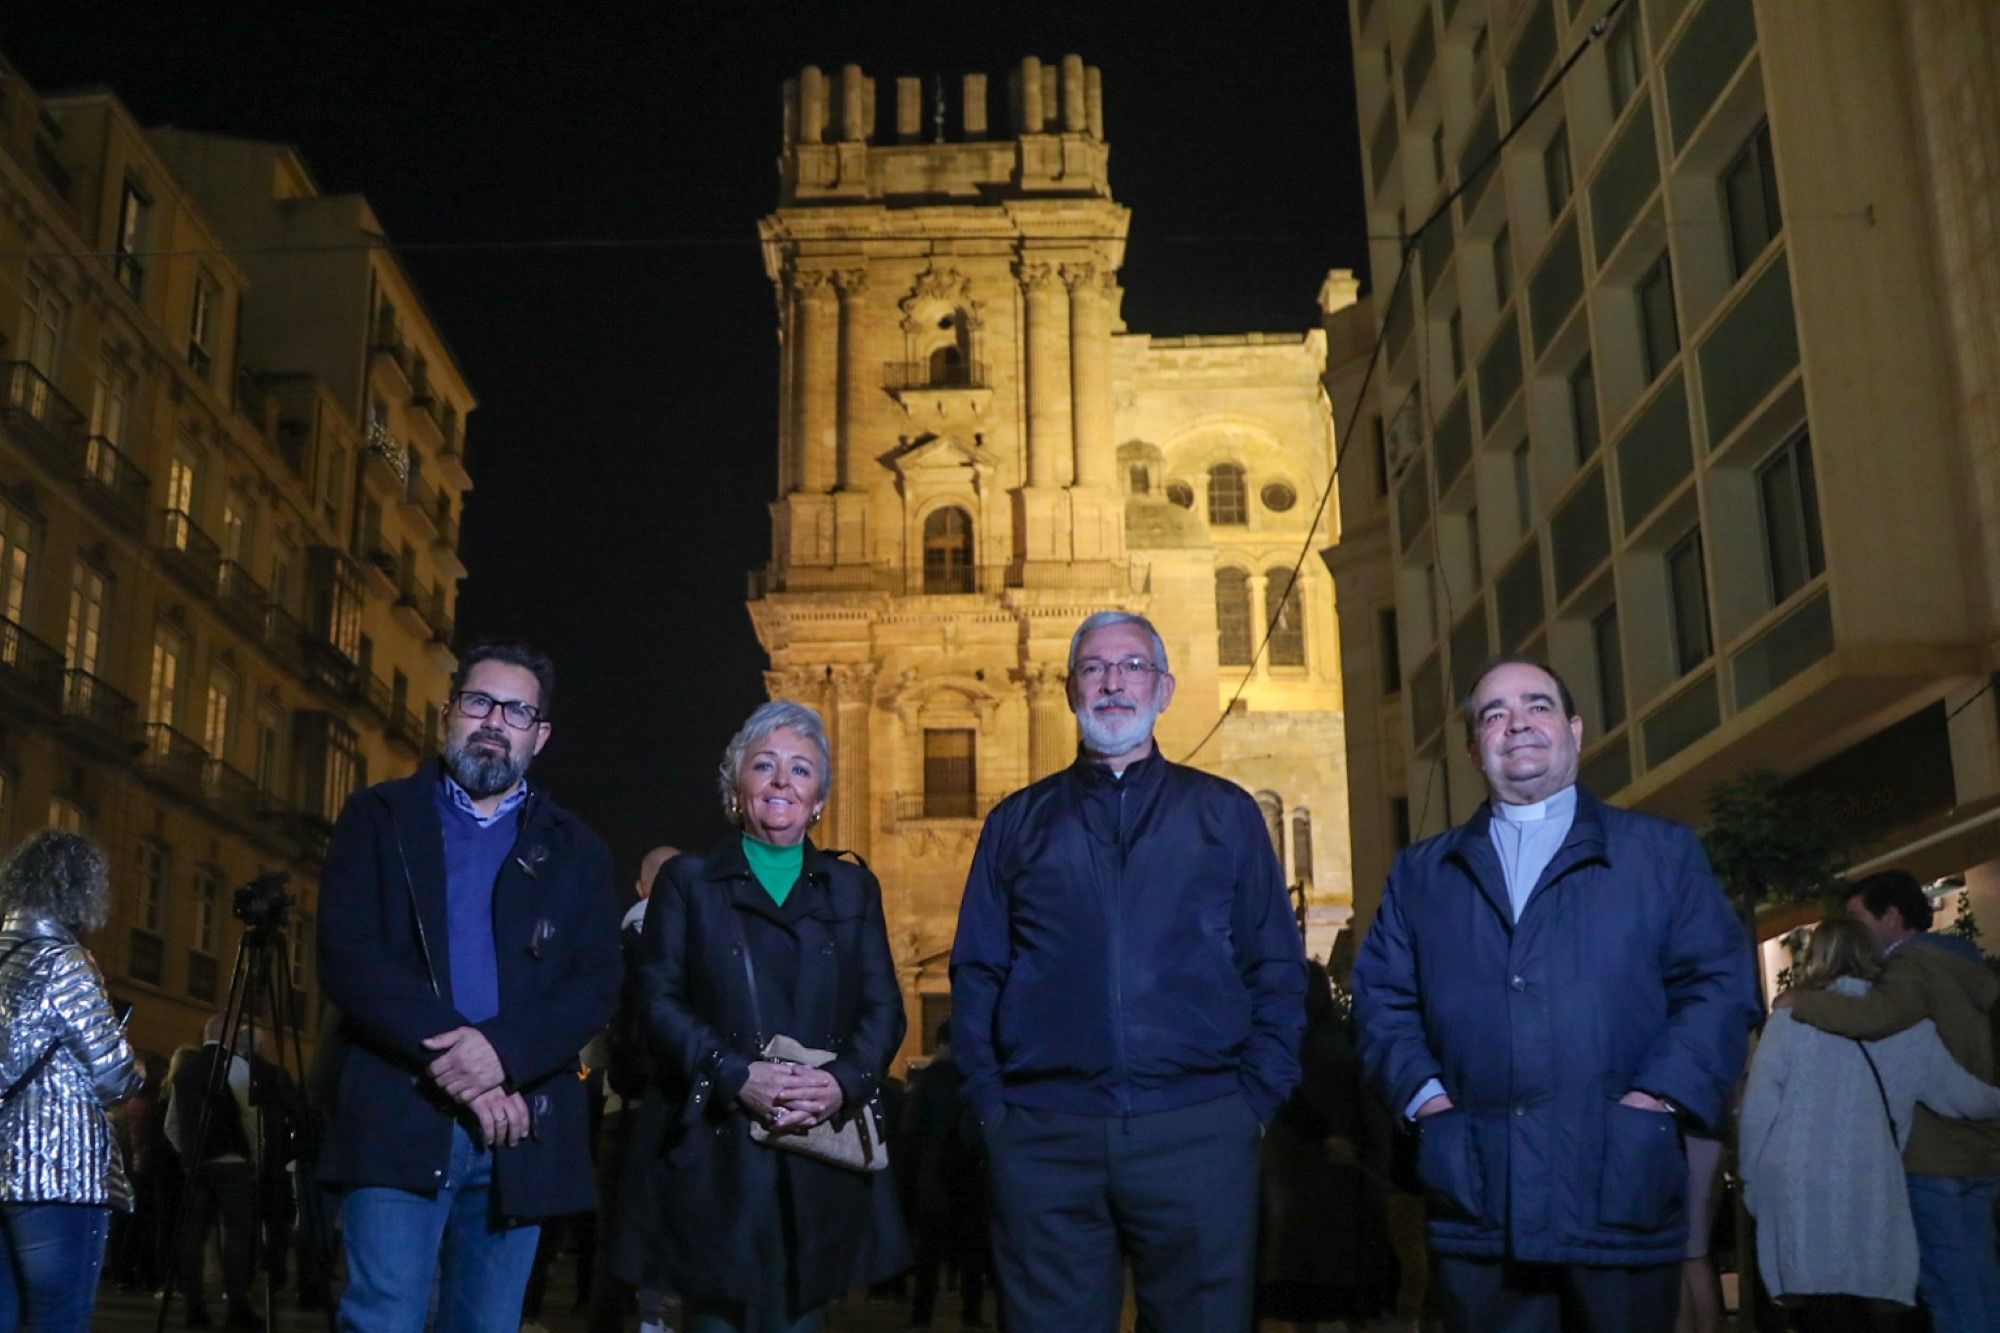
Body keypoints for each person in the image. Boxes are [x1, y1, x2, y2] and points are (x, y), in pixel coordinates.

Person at [1352, 656, 1759, 1333]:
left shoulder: (1660, 853)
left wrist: (1657, 1098)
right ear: (1473, 748)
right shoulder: (1423, 873)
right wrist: (1430, 1104)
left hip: (1618, 1190)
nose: (1517, 724)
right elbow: (1381, 1002)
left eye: (1537, 705)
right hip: (1480, 1198)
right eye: (1494, 714)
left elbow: (1720, 984)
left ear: (1573, 728)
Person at [951, 610, 1308, 1332]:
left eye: (1133, 666)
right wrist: (996, 1108)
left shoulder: (1225, 813)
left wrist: (1252, 1100)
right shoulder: (1017, 822)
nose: (1113, 682)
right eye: (1095, 667)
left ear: (1165, 688)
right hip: (1047, 1137)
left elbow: (1274, 961)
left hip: (1199, 1130)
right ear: (1071, 688)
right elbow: (978, 969)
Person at [316, 639, 620, 1331]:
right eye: (479, 701)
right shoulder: (376, 817)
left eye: (516, 710)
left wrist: (504, 1055)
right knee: (382, 1318)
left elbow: (594, 983)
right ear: (449, 711)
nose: (494, 720)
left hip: (521, 1131)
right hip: (398, 1114)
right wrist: (474, 1072)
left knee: (487, 1324)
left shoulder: (579, 850)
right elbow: (349, 958)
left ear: (539, 735)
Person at [615, 700, 909, 1332]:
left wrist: (842, 1082)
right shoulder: (688, 882)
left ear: (820, 796)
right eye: (765, 765)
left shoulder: (852, 888)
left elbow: (884, 1008)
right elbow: (656, 1002)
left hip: (817, 1141)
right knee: (718, 1319)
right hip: (717, 1149)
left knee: (801, 1319)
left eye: (801, 770)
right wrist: (734, 1074)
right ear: (735, 785)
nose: (783, 781)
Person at [1742, 916, 2000, 1330]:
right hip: (1870, 1186)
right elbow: (1963, 1098)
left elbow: (1758, 1112)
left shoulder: (1789, 1021)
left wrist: (1752, 1183)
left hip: (1794, 1187)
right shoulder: (1908, 1028)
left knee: (1815, 1311)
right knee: (1868, 1310)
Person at [0, 829, 145, 1330]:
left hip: (1, 1170)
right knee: (59, 1318)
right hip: (59, 1171)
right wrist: (135, 1066)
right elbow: (115, 1076)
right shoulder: (63, 961)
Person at [1256, 961, 1397, 1329]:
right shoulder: (1337, 1038)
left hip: (1301, 1156)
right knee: (1330, 1253)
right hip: (1336, 1158)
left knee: (1301, 1251)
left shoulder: (1290, 1042)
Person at [166, 1015, 265, 1328]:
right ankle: (237, 1306)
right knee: (235, 1235)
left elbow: (172, 1124)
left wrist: (189, 1154)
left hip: (197, 1165)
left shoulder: (185, 1070)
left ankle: (194, 1307)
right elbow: (251, 1119)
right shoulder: (236, 1067)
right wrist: (256, 1156)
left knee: (193, 1236)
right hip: (233, 1163)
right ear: (230, 1036)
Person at [902, 1022, 988, 1331]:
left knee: (928, 1253)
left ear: (939, 1044)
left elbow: (910, 1130)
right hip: (970, 1174)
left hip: (931, 1174)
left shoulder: (927, 1080)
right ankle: (971, 1315)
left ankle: (921, 1317)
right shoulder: (974, 1078)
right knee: (971, 1252)